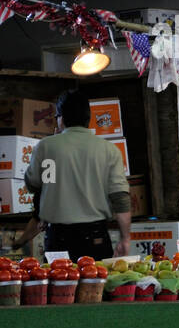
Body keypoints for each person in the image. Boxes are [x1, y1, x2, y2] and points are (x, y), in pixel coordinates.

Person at [22, 90, 130, 259]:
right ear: (89, 118)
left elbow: (33, 184)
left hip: (58, 237)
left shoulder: (46, 146)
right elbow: (121, 199)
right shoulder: (109, 150)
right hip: (96, 238)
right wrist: (125, 238)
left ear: (61, 118)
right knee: (96, 284)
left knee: (60, 284)